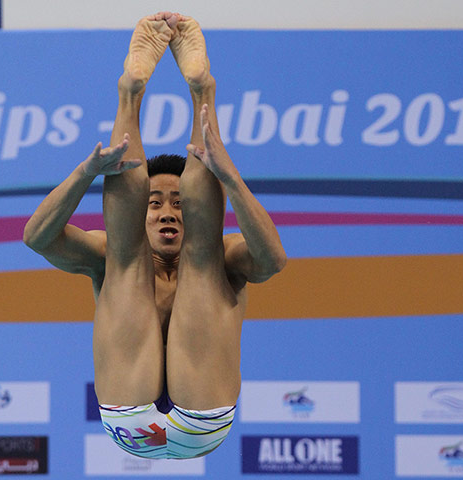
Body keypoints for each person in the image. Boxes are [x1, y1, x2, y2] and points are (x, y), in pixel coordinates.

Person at [23, 12, 286, 459]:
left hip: (200, 417)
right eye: (156, 202)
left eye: (180, 203)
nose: (168, 213)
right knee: (124, 256)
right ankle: (131, 92)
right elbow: (38, 237)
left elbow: (272, 260)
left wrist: (231, 179)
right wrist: (86, 173)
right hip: (132, 415)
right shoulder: (107, 254)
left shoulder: (226, 256)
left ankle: (202, 90)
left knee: (202, 258)